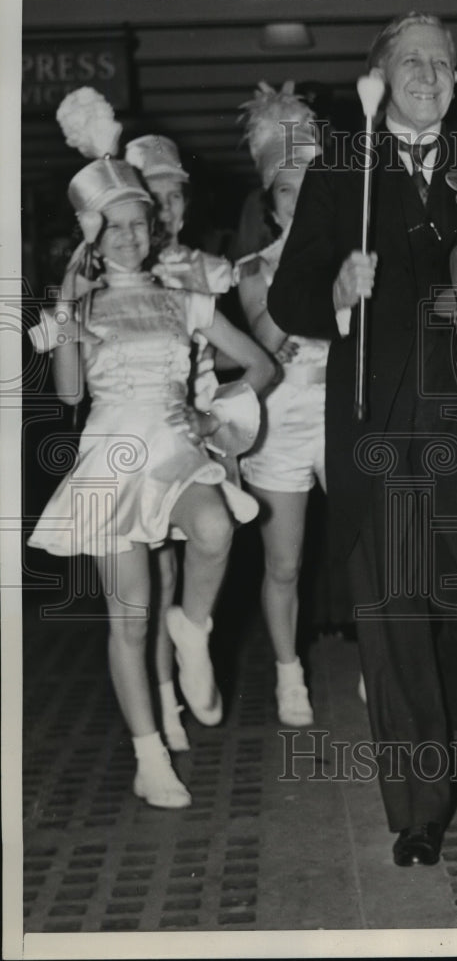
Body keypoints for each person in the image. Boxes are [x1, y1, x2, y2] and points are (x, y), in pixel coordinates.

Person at [267, 12, 457, 866]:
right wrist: (340, 291)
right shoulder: (341, 169)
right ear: (380, 76)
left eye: (442, 63)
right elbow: (288, 296)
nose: (429, 73)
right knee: (393, 617)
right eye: (412, 61)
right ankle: (415, 807)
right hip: (375, 422)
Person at [28, 96, 276, 809]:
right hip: (110, 456)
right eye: (116, 227)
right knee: (128, 615)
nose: (132, 237)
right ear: (92, 234)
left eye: (140, 223)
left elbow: (259, 366)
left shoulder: (182, 301)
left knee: (215, 527)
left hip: (174, 446)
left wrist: (211, 414)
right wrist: (70, 319)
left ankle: (193, 630)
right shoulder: (75, 309)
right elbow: (71, 397)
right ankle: (147, 754)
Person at [124, 132, 234, 751]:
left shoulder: (209, 270)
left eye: (173, 200)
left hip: (196, 429)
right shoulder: (114, 275)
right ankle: (164, 706)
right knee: (156, 576)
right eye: (152, 200)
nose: (164, 213)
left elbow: (224, 354)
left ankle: (194, 643)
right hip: (139, 434)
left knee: (207, 543)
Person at [233, 82, 325, 726]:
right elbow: (262, 344)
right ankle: (288, 672)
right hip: (282, 424)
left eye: (309, 184)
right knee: (284, 562)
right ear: (272, 201)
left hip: (344, 418)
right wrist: (300, 273)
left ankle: (382, 663)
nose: (300, 198)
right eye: (287, 188)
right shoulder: (253, 269)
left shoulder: (353, 256)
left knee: (368, 546)